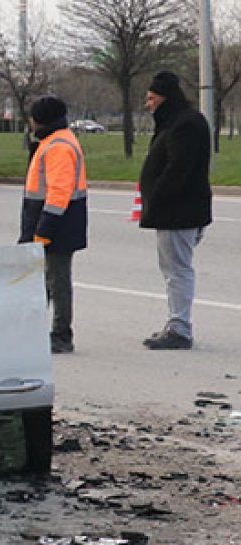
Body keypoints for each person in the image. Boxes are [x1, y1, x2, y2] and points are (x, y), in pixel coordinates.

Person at [138, 71, 213, 350]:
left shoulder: (184, 125)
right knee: (174, 269)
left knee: (177, 270)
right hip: (178, 210)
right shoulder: (179, 121)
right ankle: (176, 324)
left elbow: (178, 169)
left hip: (178, 211)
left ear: (164, 98)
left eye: (151, 98)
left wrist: (156, 197)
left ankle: (180, 328)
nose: (148, 104)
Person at [18, 96, 88, 355]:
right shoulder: (53, 141)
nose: (31, 123)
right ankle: (36, 330)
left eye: (33, 119)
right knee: (45, 281)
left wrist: (43, 231)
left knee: (57, 281)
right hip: (53, 223)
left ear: (42, 120)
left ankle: (61, 335)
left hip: (56, 224)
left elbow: (59, 193)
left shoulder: (58, 146)